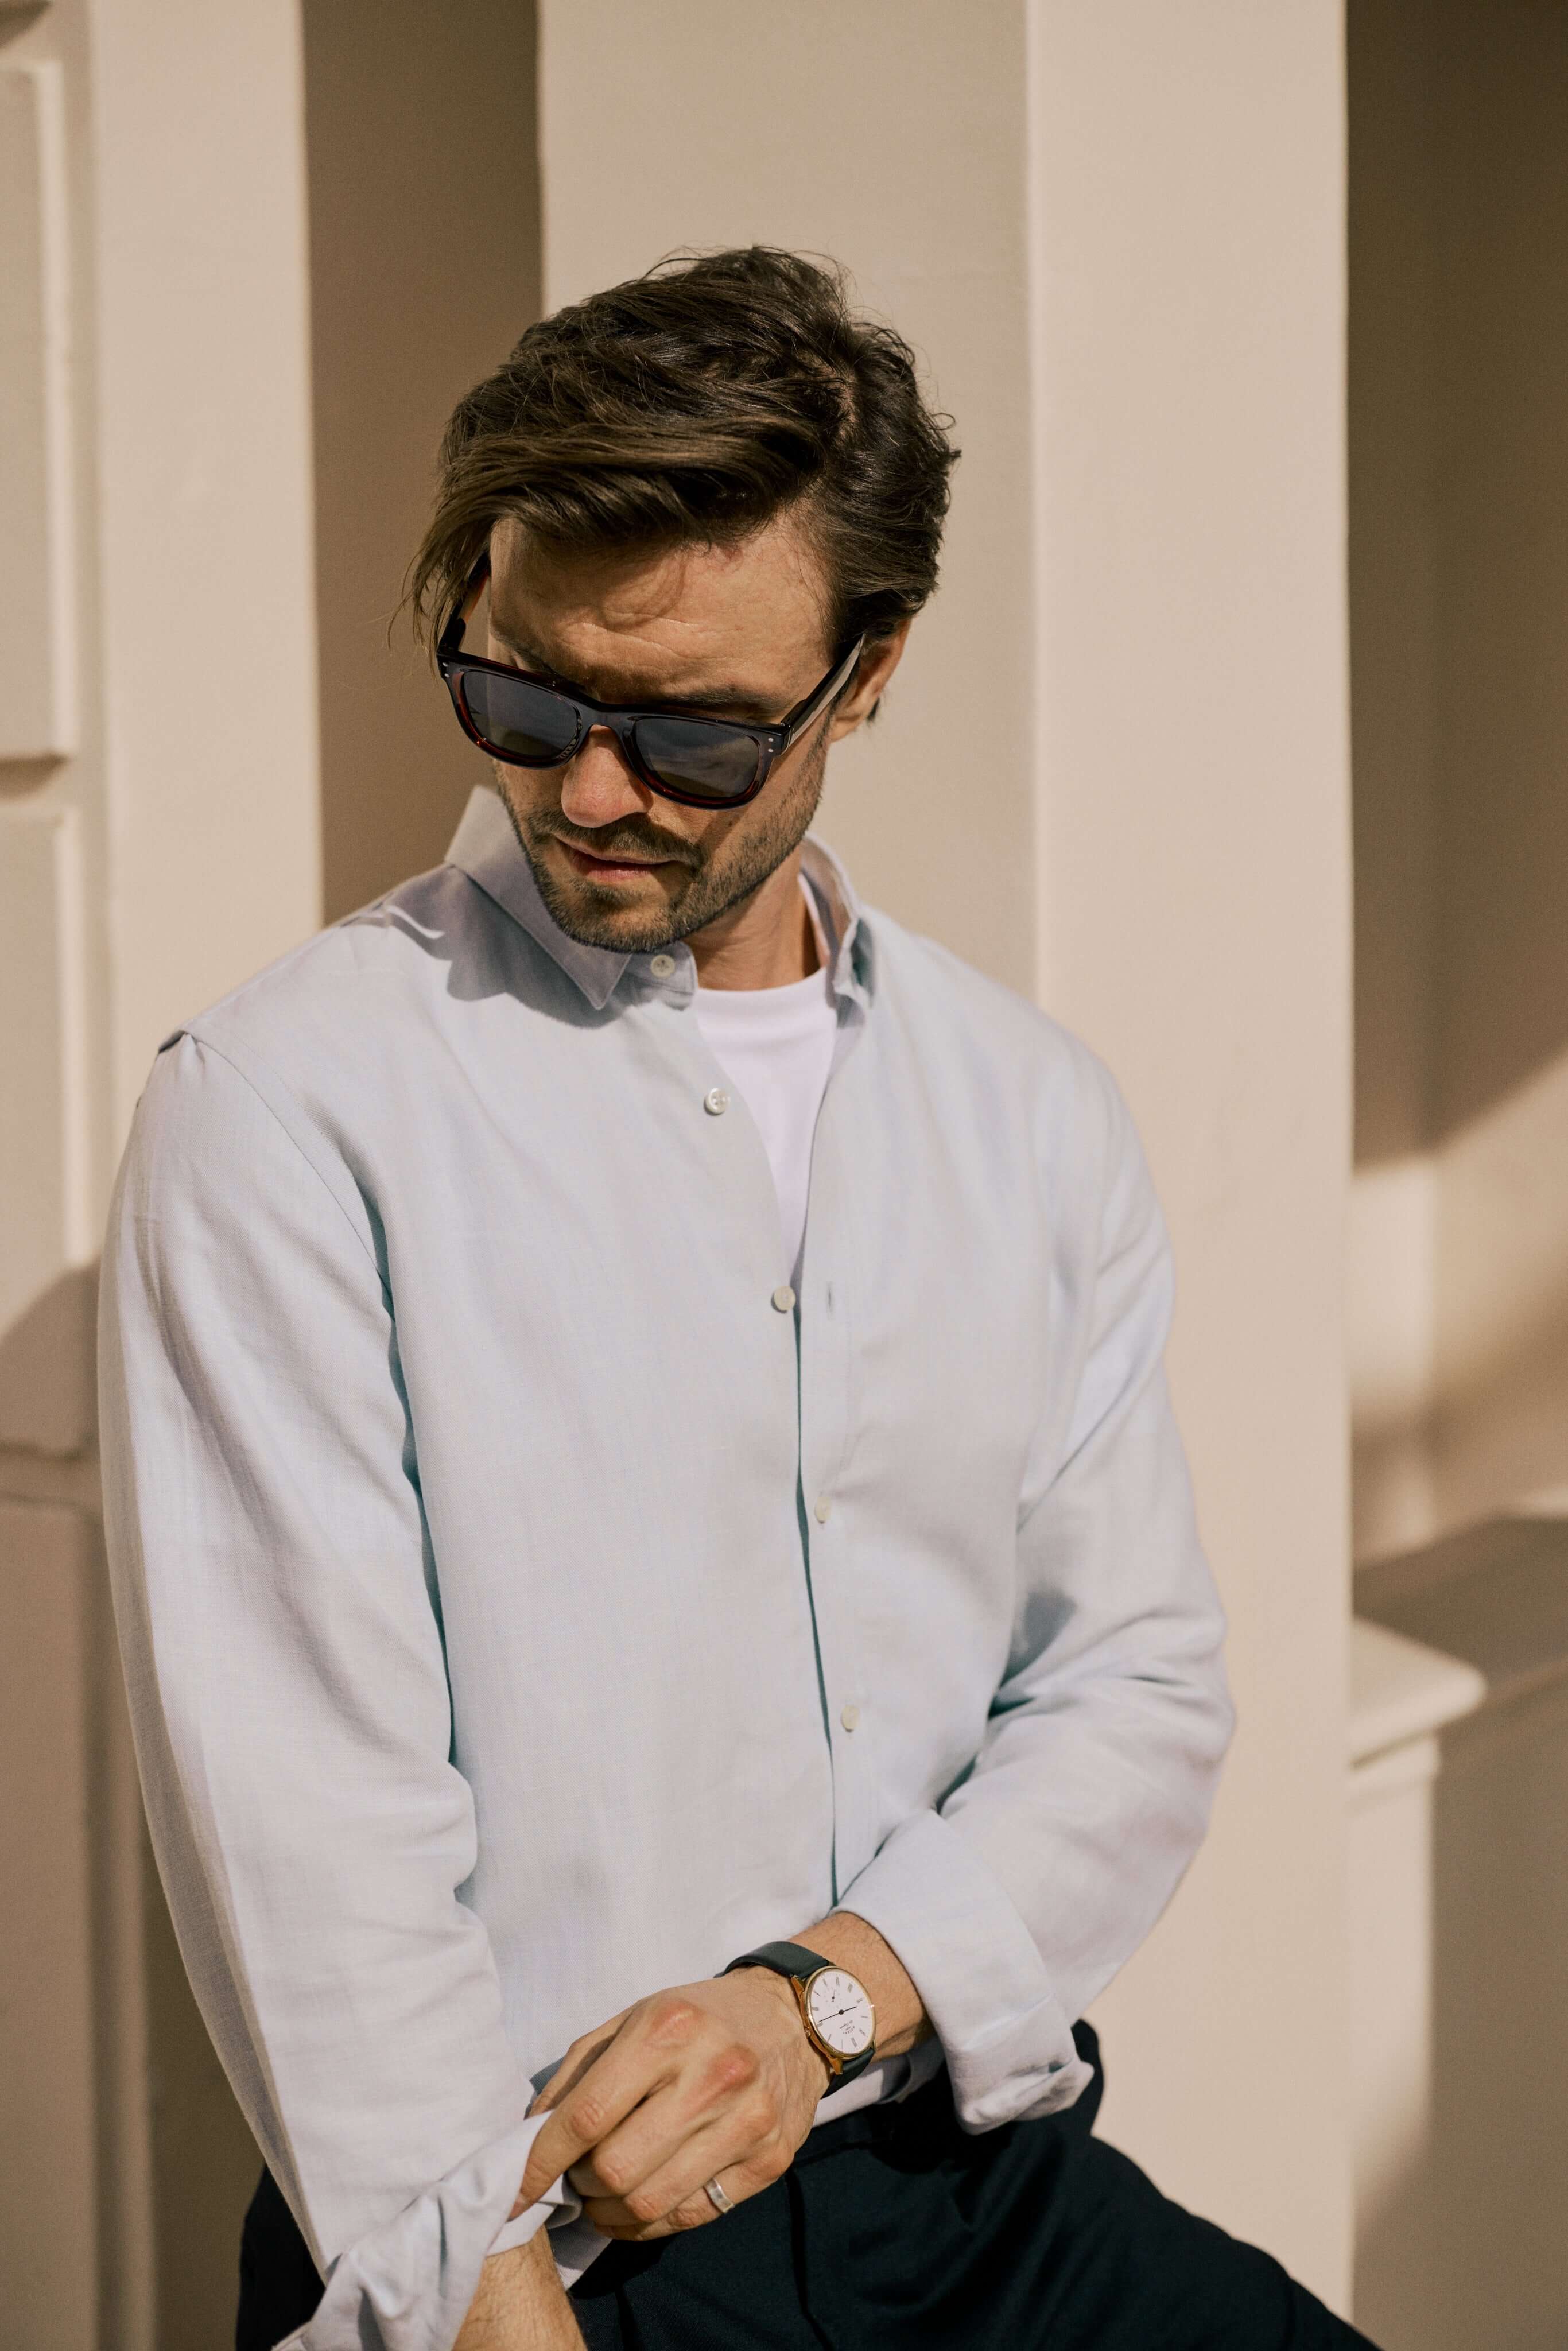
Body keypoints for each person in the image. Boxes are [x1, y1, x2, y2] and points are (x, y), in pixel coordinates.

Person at [100, 247, 1376, 2351]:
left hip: (968, 2178)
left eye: (693, 735)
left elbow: (1129, 1681)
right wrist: (483, 2297)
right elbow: (306, 1828)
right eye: (526, 701)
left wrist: (819, 2006)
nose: (595, 792)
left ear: (865, 675)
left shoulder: (1022, 1107)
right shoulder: (289, 1110)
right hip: (529, 2248)